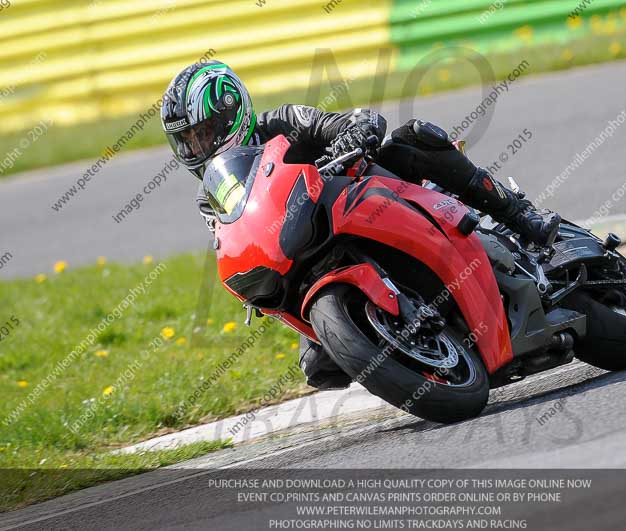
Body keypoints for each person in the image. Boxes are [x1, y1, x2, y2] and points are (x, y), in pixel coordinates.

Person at [161, 60, 560, 390]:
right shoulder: (211, 194)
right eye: (189, 141)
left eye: (205, 133)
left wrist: (354, 134)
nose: (199, 147)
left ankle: (521, 216)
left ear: (232, 111)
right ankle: (412, 348)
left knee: (415, 140)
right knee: (319, 367)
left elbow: (344, 122)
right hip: (309, 252)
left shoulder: (281, 122)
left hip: (368, 195)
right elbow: (232, 236)